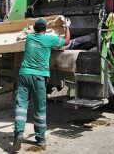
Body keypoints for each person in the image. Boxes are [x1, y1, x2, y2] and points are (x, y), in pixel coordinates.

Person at [13, 17, 70, 151]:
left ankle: (19, 133)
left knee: (21, 105)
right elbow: (67, 41)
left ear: (34, 29)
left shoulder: (30, 38)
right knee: (40, 108)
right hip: (39, 77)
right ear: (45, 29)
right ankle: (40, 139)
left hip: (24, 75)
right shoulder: (49, 40)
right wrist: (67, 26)